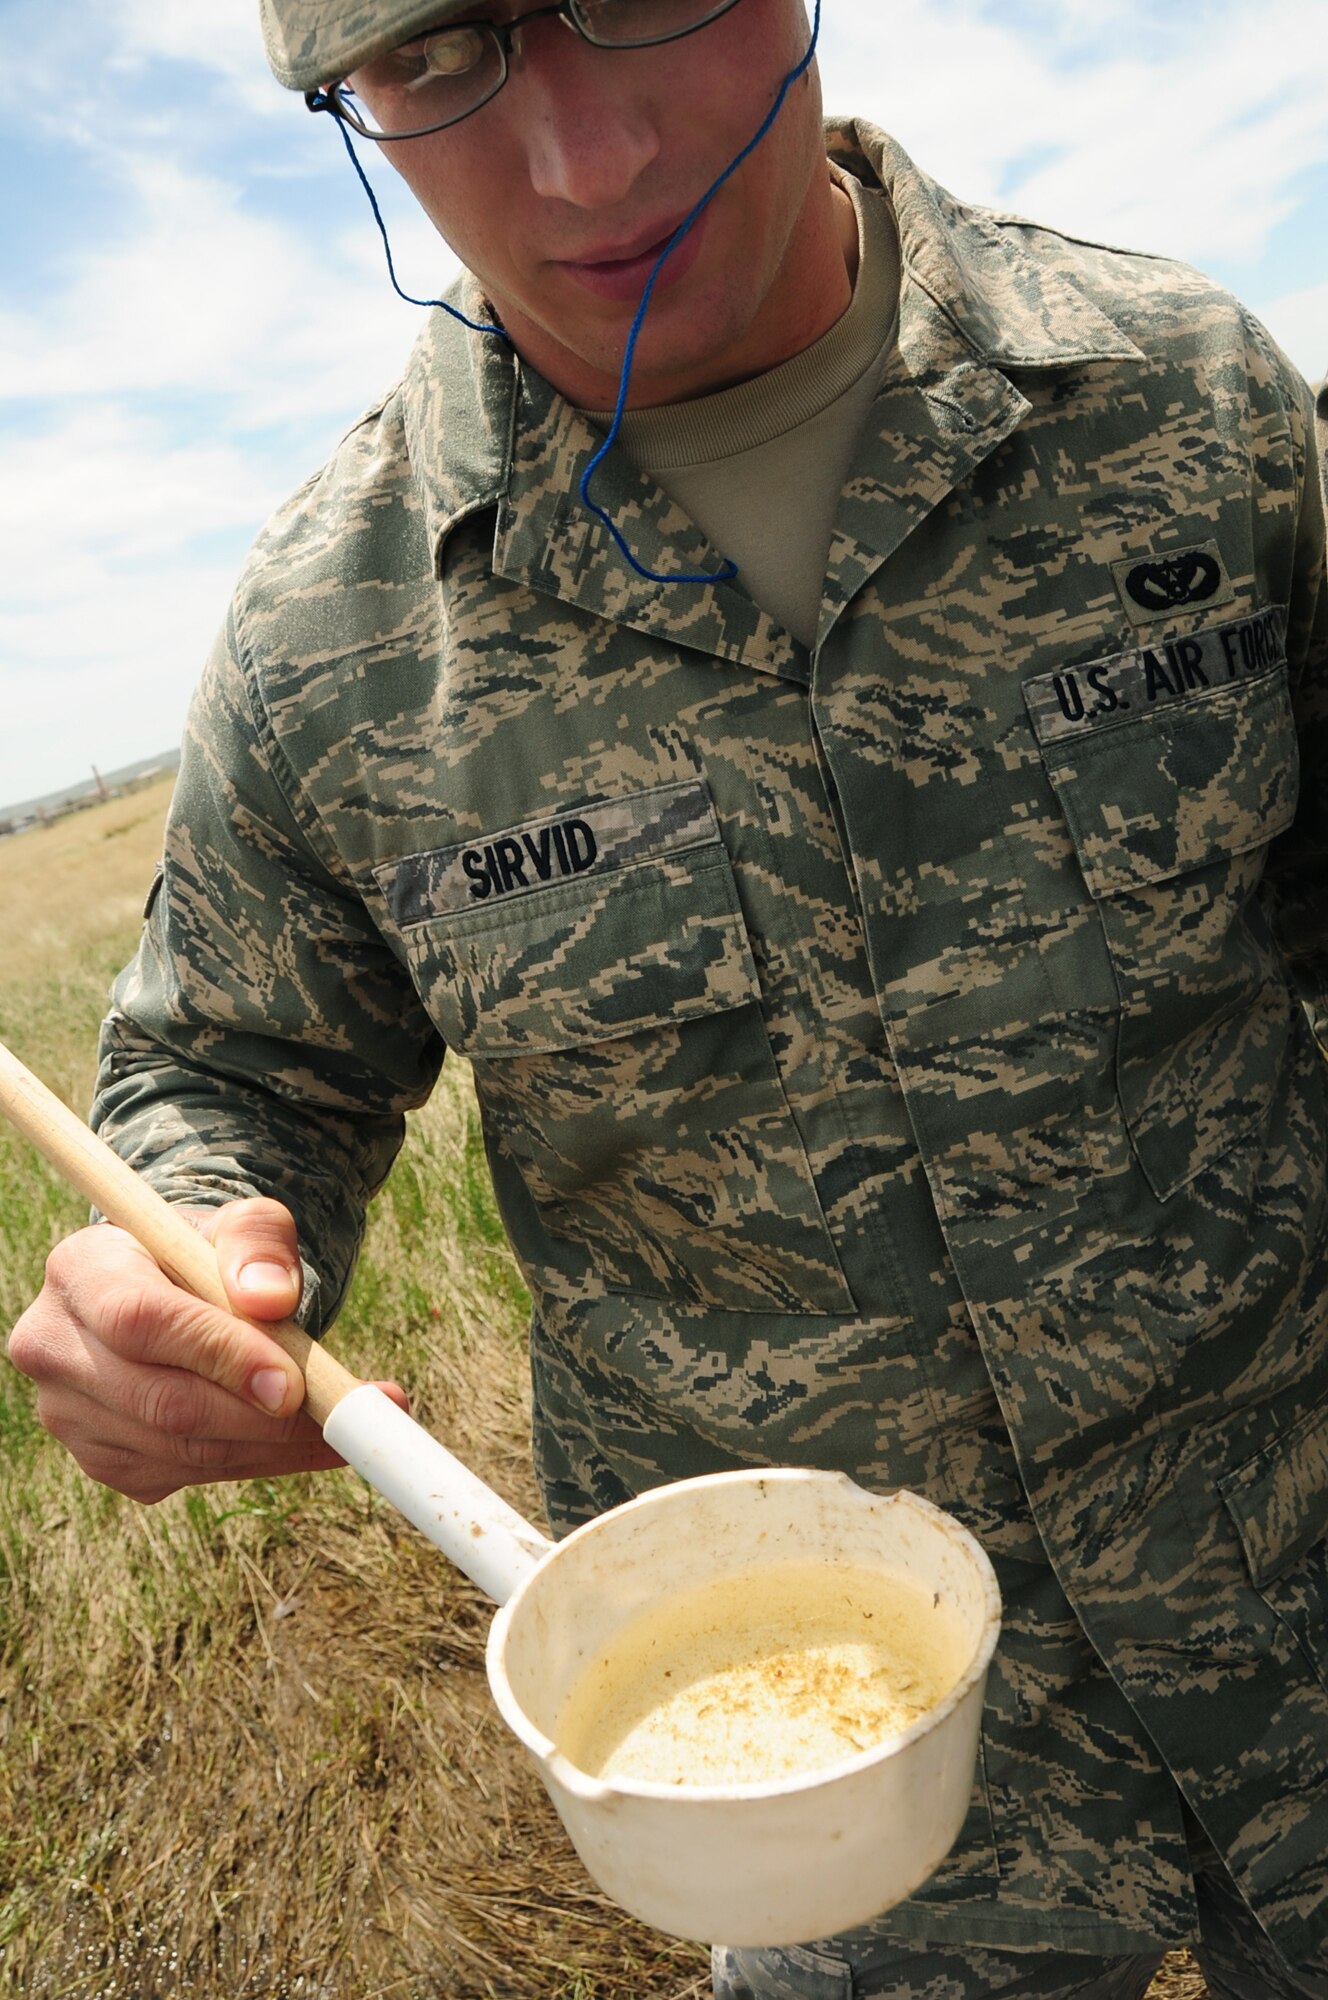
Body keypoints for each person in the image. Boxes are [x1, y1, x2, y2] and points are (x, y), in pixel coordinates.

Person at [8, 2, 1328, 1994]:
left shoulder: (1179, 400)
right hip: (790, 1779)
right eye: (437, 57)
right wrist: (185, 1257)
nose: (583, 165)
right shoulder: (327, 636)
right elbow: (226, 1069)